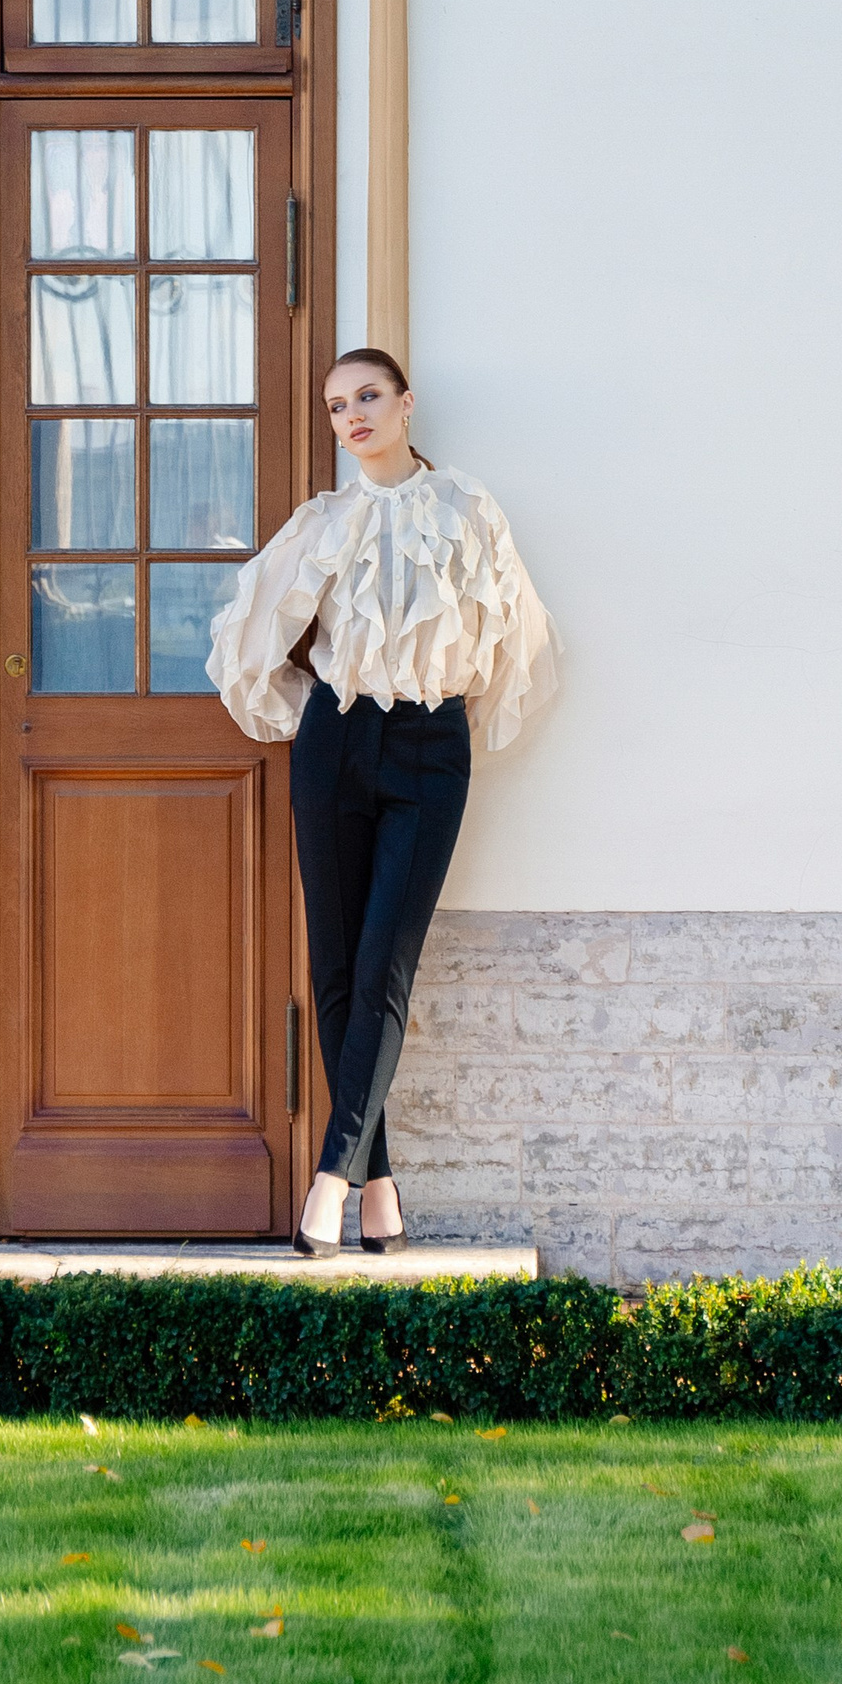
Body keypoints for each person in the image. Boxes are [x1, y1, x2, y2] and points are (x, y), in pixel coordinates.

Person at [208, 350, 557, 1257]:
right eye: (335, 406)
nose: (352, 415)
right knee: (335, 968)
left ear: (406, 403)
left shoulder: (467, 509)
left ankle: (333, 1175)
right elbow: (250, 640)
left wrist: (435, 718)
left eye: (367, 396)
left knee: (384, 968)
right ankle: (381, 1190)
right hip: (334, 744)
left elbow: (514, 637)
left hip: (430, 750)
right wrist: (316, 715)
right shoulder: (322, 522)